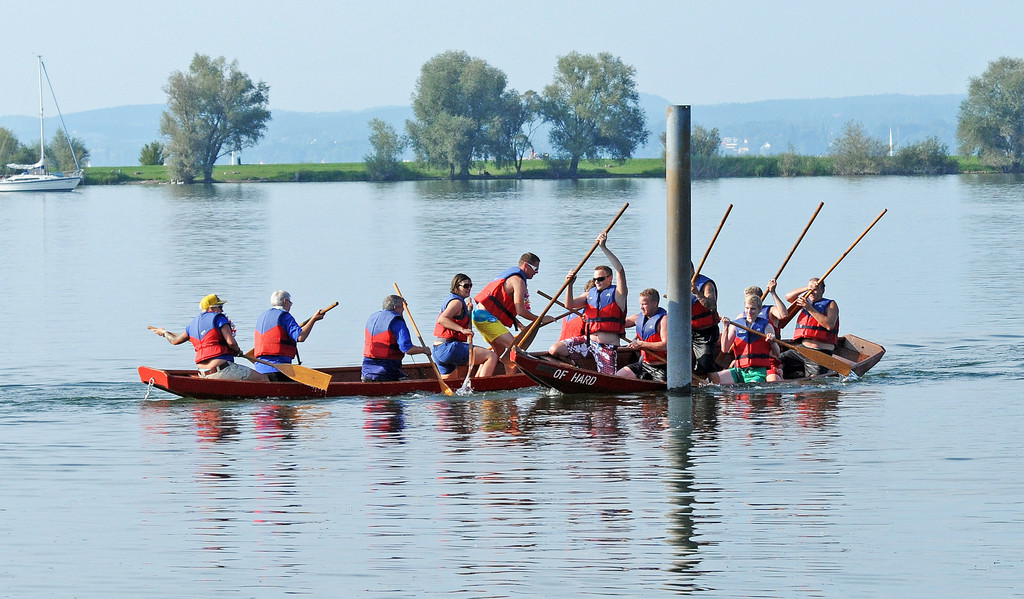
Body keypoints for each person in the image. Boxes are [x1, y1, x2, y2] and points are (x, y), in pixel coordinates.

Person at [549, 233, 628, 374]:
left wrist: (603, 247)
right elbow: (569, 305)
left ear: (610, 278)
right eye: (595, 279)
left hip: (607, 347)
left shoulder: (618, 295)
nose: (597, 281)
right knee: (554, 350)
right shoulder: (589, 294)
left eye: (601, 278)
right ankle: (574, 369)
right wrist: (570, 285)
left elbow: (620, 270)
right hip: (587, 343)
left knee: (608, 378)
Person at [150, 293, 266, 381]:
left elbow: (175, 340)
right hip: (223, 370)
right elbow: (231, 342)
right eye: (219, 307)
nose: (222, 310)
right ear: (211, 309)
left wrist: (164, 332)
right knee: (263, 379)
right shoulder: (219, 319)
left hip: (202, 373)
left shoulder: (192, 325)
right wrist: (238, 351)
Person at [473, 252, 555, 371]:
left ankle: (481, 380)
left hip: (479, 315)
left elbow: (501, 306)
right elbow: (521, 311)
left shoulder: (514, 278)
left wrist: (517, 323)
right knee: (515, 349)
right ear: (526, 266)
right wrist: (541, 319)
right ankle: (510, 380)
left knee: (499, 351)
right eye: (535, 268)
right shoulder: (518, 281)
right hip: (485, 318)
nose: (537, 272)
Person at [254, 290, 329, 382]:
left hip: (259, 371)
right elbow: (301, 337)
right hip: (280, 370)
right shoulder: (285, 316)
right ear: (285, 302)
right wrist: (313, 320)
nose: (290, 306)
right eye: (290, 303)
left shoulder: (262, 317)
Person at [433, 274, 498, 378]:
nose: (469, 289)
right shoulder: (457, 302)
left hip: (438, 350)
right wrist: (462, 330)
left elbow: (456, 318)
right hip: (449, 348)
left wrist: (468, 312)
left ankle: (474, 387)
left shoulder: (455, 301)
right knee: (491, 356)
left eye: (470, 285)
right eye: (465, 286)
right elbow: (442, 319)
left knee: (452, 388)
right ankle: (482, 389)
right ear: (456, 286)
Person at [709, 293, 780, 385]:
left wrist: (772, 342)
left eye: (753, 309)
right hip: (739, 370)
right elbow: (724, 349)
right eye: (747, 308)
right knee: (711, 381)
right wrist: (726, 327)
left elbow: (777, 354)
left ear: (759, 310)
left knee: (750, 390)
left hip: (757, 372)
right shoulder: (736, 326)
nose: (749, 312)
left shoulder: (767, 327)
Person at [361, 294, 432, 382]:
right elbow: (407, 349)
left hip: (366, 372)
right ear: (396, 308)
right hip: (387, 372)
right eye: (402, 307)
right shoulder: (397, 322)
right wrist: (424, 350)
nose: (404, 310)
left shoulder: (372, 318)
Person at [780, 277, 840, 378]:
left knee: (814, 381)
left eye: (815, 289)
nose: (812, 292)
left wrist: (809, 308)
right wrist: (807, 288)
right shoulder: (804, 301)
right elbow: (788, 296)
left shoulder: (831, 304)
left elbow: (829, 325)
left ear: (822, 290)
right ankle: (797, 374)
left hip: (819, 352)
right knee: (778, 361)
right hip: (802, 350)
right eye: (810, 289)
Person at [616, 288, 668, 381]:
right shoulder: (637, 318)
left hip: (661, 367)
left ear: (655, 303)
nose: (641, 307)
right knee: (616, 378)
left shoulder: (664, 320)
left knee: (659, 394)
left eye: (644, 304)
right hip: (642, 364)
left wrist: (641, 344)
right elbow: (616, 324)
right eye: (640, 304)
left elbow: (665, 345)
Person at [691, 262, 720, 374]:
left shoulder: (706, 285)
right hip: (687, 330)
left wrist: (697, 293)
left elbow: (712, 305)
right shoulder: (679, 283)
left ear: (692, 270)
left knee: (706, 366)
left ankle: (713, 387)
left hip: (706, 333)